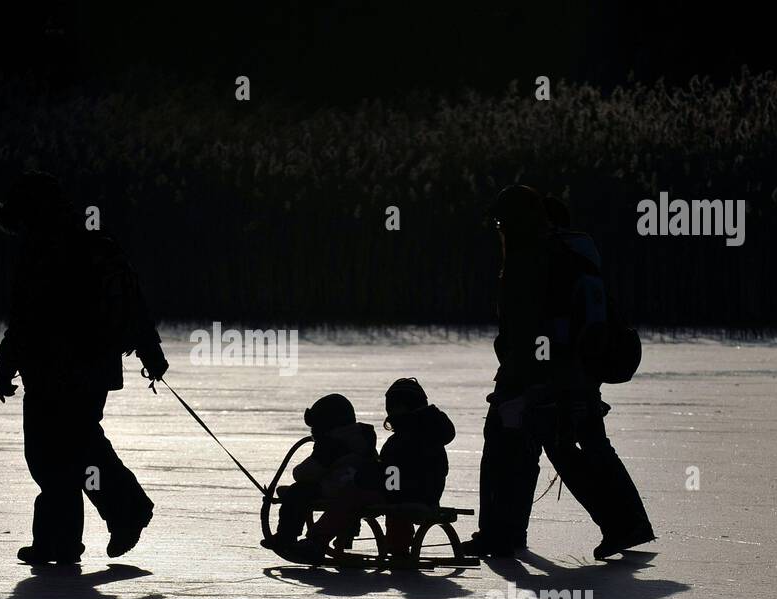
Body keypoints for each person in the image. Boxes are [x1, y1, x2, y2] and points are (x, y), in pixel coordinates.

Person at [0, 171, 168, 565]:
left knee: (53, 451)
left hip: (53, 369)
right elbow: (134, 299)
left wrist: (7, 365)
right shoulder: (96, 242)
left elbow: (25, 318)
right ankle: (66, 538)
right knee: (76, 447)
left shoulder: (41, 249)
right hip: (93, 367)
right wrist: (150, 351)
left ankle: (103, 520)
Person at [471, 185, 655, 560]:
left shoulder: (534, 258)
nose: (500, 229)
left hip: (544, 377)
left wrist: (524, 385)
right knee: (582, 447)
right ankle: (628, 523)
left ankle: (502, 534)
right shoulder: (572, 254)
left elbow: (530, 329)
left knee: (511, 448)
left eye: (503, 221)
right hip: (577, 374)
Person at [267, 393, 378, 563]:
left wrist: (298, 471)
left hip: (336, 488)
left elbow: (308, 472)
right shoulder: (361, 438)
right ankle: (340, 534)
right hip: (354, 487)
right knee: (299, 492)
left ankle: (286, 536)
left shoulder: (331, 443)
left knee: (298, 492)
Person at [378, 378, 455, 557]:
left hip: (408, 498)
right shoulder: (432, 435)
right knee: (397, 502)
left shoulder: (400, 442)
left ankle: (399, 547)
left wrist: (386, 494)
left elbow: (392, 474)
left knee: (395, 507)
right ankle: (399, 543)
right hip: (430, 496)